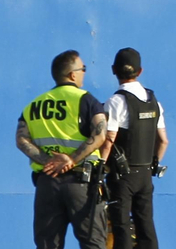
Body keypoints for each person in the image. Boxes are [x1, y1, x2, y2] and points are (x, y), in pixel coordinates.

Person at [18, 51, 106, 249]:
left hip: (47, 183)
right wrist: (71, 160)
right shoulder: (86, 100)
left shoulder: (34, 105)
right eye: (83, 69)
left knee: (48, 244)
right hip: (81, 182)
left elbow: (21, 139)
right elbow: (100, 134)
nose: (84, 73)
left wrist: (47, 161)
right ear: (72, 75)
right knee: (93, 242)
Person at [100, 47, 165, 249]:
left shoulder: (116, 101)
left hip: (122, 176)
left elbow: (109, 138)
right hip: (145, 173)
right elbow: (163, 140)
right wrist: (154, 164)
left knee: (121, 226)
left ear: (114, 70)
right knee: (146, 224)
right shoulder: (154, 102)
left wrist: (100, 165)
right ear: (140, 71)